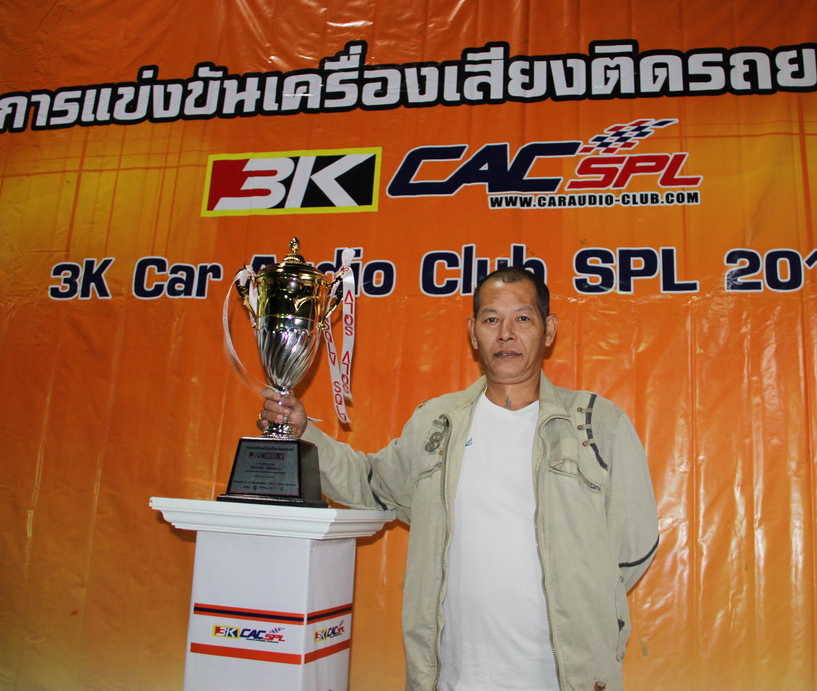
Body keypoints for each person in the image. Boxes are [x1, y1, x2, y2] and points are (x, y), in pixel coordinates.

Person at [258, 267, 659, 691]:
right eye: (491, 319)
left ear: (549, 330)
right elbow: (370, 483)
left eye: (523, 318)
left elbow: (634, 547)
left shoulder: (598, 425)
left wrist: (586, 602)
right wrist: (305, 434)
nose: (506, 334)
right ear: (473, 332)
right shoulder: (437, 422)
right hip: (453, 677)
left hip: (565, 680)